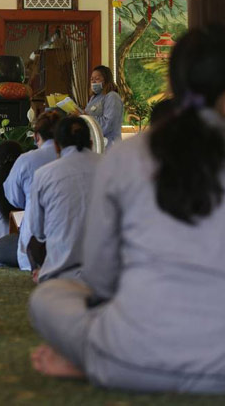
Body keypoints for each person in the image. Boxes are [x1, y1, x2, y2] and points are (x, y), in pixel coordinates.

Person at [29, 26, 225, 393]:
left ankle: (85, 357)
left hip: (130, 360)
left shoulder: (126, 157)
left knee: (50, 297)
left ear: (173, 81)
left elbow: (102, 277)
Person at [22, 117, 100, 283]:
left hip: (60, 275)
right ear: (91, 144)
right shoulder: (112, 167)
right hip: (109, 275)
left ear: (57, 146)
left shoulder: (44, 174)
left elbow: (38, 231)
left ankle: (39, 272)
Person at [0, 111, 62, 270]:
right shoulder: (76, 160)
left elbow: (13, 198)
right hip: (79, 244)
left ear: (36, 136)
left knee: (1, 246)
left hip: (37, 246)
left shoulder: (27, 160)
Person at [83, 66, 122, 147]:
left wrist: (86, 117)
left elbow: (108, 124)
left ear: (106, 80)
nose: (93, 82)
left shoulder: (112, 97)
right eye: (91, 79)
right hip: (96, 144)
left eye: (97, 79)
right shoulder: (94, 97)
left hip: (109, 145)